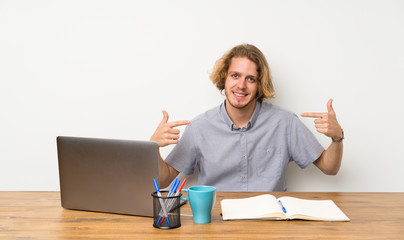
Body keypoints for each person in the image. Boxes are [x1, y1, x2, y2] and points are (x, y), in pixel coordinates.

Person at [150, 44, 344, 191]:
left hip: (270, 224)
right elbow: (164, 180)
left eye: (250, 79)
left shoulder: (285, 123)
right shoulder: (200, 127)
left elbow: (329, 168)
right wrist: (153, 149)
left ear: (260, 84)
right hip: (217, 224)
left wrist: (337, 139)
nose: (241, 85)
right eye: (235, 76)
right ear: (224, 77)